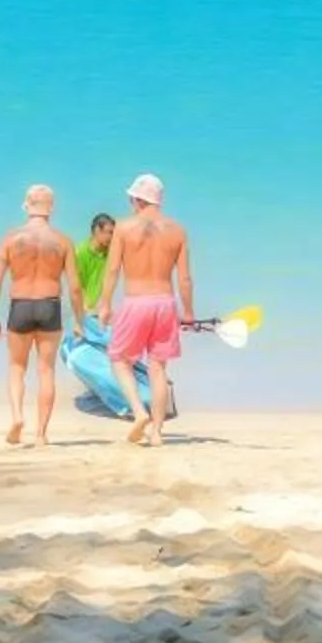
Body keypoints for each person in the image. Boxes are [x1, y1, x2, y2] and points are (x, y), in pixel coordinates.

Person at [102, 173, 192, 447]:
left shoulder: (124, 228)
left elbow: (113, 269)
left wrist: (105, 303)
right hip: (165, 303)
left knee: (119, 359)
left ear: (137, 199)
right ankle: (157, 433)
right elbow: (185, 279)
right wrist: (188, 312)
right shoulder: (177, 231)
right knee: (158, 369)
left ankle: (139, 413)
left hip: (136, 301)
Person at [0, 185, 77, 447]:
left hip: (21, 305)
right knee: (46, 370)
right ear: (52, 207)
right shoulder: (62, 241)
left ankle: (16, 417)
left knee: (17, 367)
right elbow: (76, 287)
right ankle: (41, 434)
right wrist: (80, 319)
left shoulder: (11, 239)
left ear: (27, 205)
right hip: (50, 305)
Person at [72, 212, 116, 340]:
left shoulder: (111, 252)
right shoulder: (80, 253)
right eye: (109, 232)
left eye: (114, 233)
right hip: (84, 310)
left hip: (100, 311)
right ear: (97, 230)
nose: (112, 237)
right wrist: (83, 312)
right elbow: (77, 286)